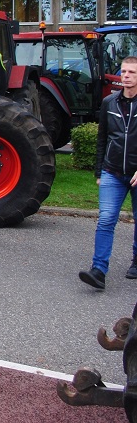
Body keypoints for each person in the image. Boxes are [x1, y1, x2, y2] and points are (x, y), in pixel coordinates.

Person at [80, 56, 137, 289]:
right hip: (112, 172)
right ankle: (99, 270)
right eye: (124, 72)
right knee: (105, 220)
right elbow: (102, 137)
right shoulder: (109, 103)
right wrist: (99, 171)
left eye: (132, 72)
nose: (126, 76)